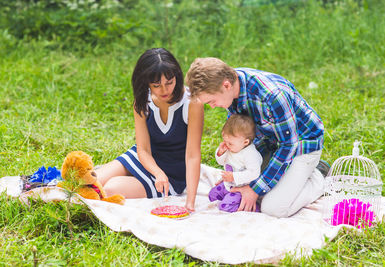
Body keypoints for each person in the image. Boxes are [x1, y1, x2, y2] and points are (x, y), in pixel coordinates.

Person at [185, 57, 329, 218]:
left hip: (301, 145)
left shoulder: (272, 96)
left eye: (211, 101)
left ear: (226, 85)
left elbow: (289, 146)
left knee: (272, 208)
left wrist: (255, 190)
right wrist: (235, 175)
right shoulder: (232, 89)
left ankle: (318, 176)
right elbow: (245, 140)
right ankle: (296, 177)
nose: (211, 106)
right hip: (271, 142)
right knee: (249, 185)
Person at [96, 48, 204, 212]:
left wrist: (190, 201)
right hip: (145, 159)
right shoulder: (142, 102)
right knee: (93, 181)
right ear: (145, 82)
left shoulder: (192, 103)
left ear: (177, 77)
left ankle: (134, 181)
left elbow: (192, 155)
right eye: (156, 85)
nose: (164, 90)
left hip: (172, 172)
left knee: (111, 189)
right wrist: (156, 172)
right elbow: (143, 149)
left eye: (169, 82)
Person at [208, 114, 263, 212]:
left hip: (243, 188)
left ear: (245, 142)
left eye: (230, 143)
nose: (227, 145)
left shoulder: (250, 154)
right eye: (225, 141)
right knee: (213, 195)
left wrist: (234, 177)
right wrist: (220, 153)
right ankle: (229, 198)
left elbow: (254, 173)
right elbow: (221, 162)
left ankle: (253, 208)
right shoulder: (233, 147)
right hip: (229, 184)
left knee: (224, 207)